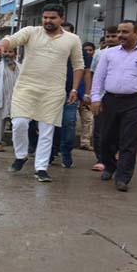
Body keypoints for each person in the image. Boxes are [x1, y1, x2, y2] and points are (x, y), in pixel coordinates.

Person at [0, 3, 84, 182]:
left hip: (54, 90)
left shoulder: (73, 39)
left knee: (47, 129)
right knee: (19, 123)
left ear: (61, 19)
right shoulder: (31, 31)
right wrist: (2, 45)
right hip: (26, 87)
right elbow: (12, 39)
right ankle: (21, 156)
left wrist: (74, 89)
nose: (48, 21)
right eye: (45, 18)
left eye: (52, 18)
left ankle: (41, 168)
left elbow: (78, 65)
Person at [91, 21, 137, 192]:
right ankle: (110, 166)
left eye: (125, 32)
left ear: (136, 34)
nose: (120, 35)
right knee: (105, 138)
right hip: (110, 100)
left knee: (129, 140)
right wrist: (95, 98)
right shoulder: (108, 54)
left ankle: (123, 177)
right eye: (119, 32)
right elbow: (99, 78)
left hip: (134, 102)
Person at [49, 22, 85, 168]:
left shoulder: (78, 51)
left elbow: (85, 72)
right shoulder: (50, 51)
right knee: (49, 125)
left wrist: (82, 93)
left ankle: (66, 153)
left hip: (70, 94)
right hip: (51, 93)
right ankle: (50, 154)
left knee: (69, 124)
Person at [86, 26, 119, 171]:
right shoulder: (99, 54)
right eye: (108, 36)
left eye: (113, 36)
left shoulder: (127, 54)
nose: (110, 39)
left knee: (117, 129)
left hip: (119, 98)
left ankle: (116, 155)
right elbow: (92, 74)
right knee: (100, 129)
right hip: (101, 97)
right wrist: (92, 95)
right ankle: (101, 159)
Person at [79, 42, 96, 150]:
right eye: (86, 50)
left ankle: (85, 142)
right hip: (76, 95)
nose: (88, 52)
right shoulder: (78, 62)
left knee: (88, 120)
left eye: (90, 50)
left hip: (87, 96)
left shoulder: (94, 64)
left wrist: (88, 94)